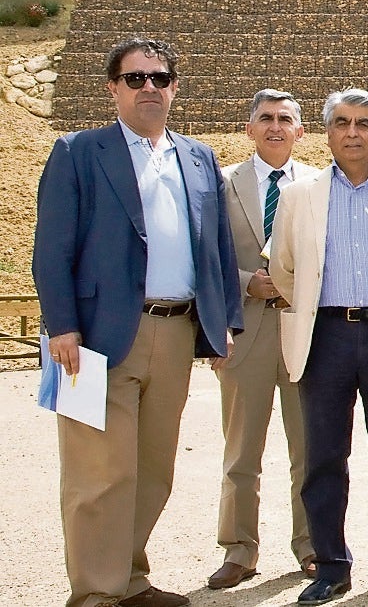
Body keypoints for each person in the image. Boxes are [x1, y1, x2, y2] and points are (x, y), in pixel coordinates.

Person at [36, 37, 243, 607]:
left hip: (175, 333)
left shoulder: (198, 157)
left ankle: (130, 580)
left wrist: (221, 321)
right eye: (135, 78)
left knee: (153, 470)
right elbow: (51, 249)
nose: (149, 86)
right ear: (113, 89)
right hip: (92, 339)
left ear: (174, 88)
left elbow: (216, 249)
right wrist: (62, 327)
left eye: (160, 77)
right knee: (97, 474)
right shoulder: (77, 152)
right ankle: (97, 592)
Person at [271, 89, 368, 605]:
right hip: (325, 337)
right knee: (324, 457)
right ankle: (331, 564)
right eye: (342, 122)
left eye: (363, 123)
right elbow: (284, 268)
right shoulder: (300, 196)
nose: (353, 132)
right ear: (327, 132)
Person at [209, 89, 317, 591]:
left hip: (303, 333)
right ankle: (239, 549)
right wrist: (244, 281)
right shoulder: (220, 183)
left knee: (311, 449)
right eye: (266, 119)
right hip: (244, 331)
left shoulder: (319, 186)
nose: (276, 127)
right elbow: (204, 255)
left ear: (301, 131)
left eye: (286, 120)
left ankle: (314, 544)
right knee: (241, 450)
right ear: (249, 128)